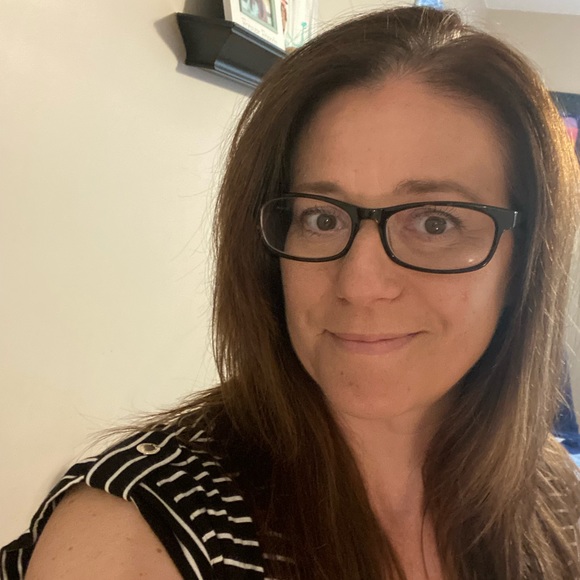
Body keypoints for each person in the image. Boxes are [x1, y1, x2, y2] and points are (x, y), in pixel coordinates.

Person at [2, 5, 580, 579]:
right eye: (321, 218)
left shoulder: (554, 493)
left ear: (526, 261)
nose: (361, 285)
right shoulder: (138, 534)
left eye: (435, 222)